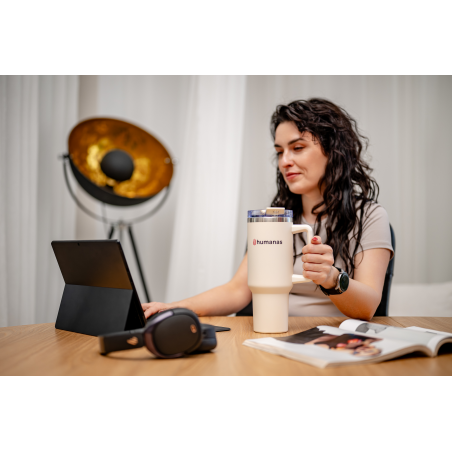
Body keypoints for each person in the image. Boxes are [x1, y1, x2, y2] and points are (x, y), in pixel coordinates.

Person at [143, 98, 394, 321]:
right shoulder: (275, 218)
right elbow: (237, 291)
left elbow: (368, 307)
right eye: (279, 152)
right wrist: (174, 307)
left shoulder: (369, 216)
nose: (285, 162)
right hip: (272, 336)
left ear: (334, 152)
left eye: (297, 148)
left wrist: (331, 277)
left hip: (335, 342)